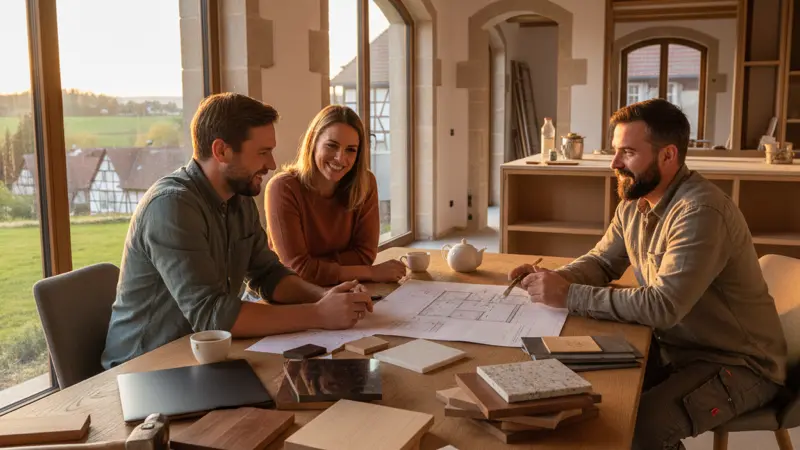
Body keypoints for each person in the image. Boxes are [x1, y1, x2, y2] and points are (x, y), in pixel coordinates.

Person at [509, 99, 787, 450]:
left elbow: (661, 306)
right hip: (673, 346)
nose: (614, 163)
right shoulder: (636, 200)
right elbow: (602, 261)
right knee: (580, 391)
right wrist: (555, 278)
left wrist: (566, 295)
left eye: (627, 152)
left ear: (668, 156)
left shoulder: (700, 212)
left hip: (738, 363)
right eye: (615, 151)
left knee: (635, 430)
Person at [101, 93, 373, 369]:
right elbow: (213, 314)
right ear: (221, 151)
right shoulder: (171, 206)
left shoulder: (239, 198)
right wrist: (318, 314)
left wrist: (326, 297)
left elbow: (269, 275)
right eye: (263, 152)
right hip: (143, 367)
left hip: (204, 355)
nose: (272, 164)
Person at [264, 104, 406, 286]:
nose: (340, 158)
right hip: (287, 294)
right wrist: (369, 272)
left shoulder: (365, 183)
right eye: (332, 146)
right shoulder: (283, 188)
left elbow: (364, 255)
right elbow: (298, 269)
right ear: (313, 143)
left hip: (342, 287)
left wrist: (316, 267)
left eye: (351, 150)